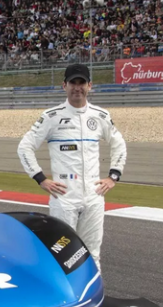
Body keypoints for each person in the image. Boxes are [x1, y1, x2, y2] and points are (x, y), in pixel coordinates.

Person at [17, 63, 127, 268]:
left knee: (92, 255)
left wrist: (114, 176)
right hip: (64, 199)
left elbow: (119, 143)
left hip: (94, 197)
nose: (77, 87)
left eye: (81, 83)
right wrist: (41, 179)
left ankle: (93, 289)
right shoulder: (51, 116)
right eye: (72, 83)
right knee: (61, 256)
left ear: (89, 86)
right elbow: (24, 147)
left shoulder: (101, 115)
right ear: (64, 86)